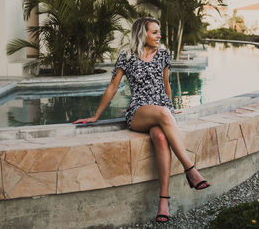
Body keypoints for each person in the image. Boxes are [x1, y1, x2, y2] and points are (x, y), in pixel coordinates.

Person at [73, 17, 210, 223]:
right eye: (154, 32)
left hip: (161, 109)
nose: (159, 36)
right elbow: (113, 87)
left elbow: (166, 85)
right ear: (142, 34)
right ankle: (190, 169)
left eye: (158, 32)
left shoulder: (163, 54)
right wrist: (96, 115)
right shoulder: (126, 56)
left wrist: (171, 107)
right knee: (164, 114)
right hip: (138, 111)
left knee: (161, 138)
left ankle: (163, 201)